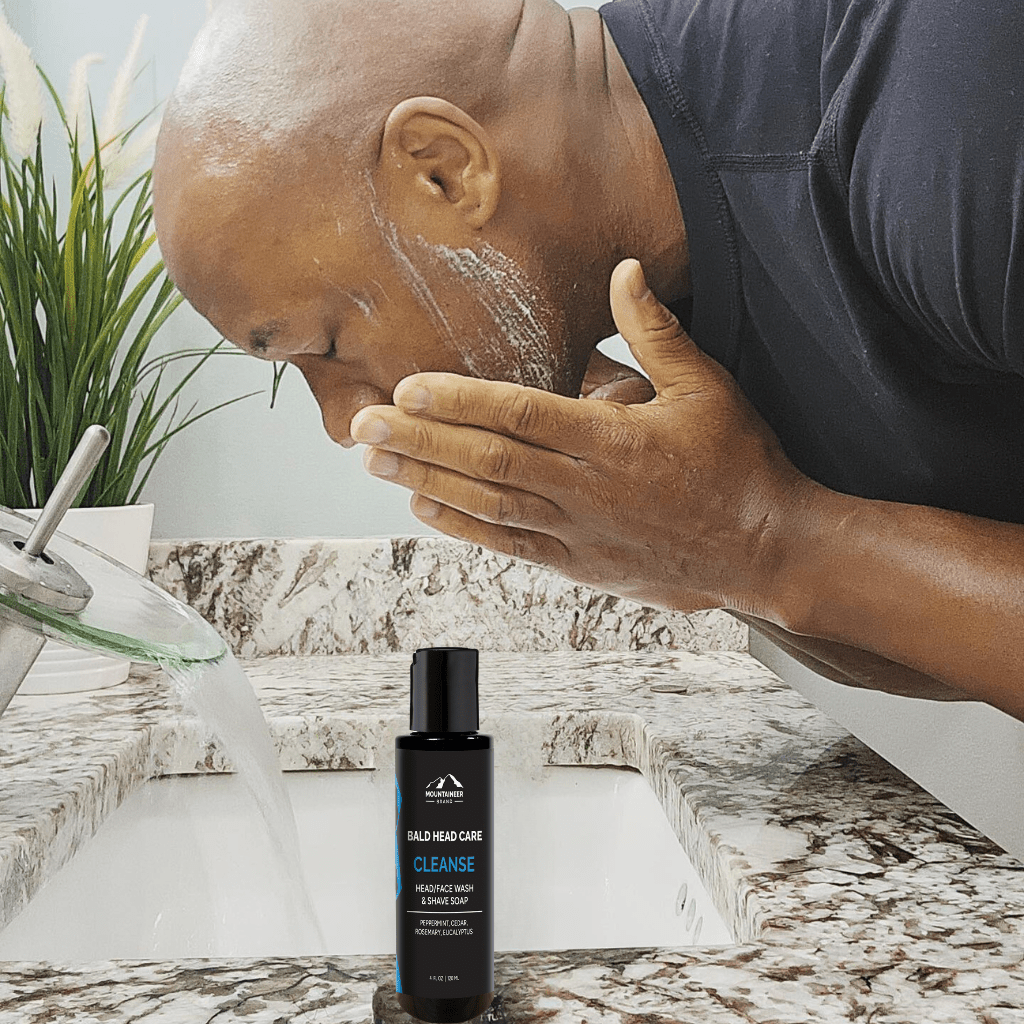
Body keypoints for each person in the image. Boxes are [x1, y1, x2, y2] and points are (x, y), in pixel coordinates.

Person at [153, 0, 1024, 720]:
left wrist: (765, 542)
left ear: (444, 171)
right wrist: (692, 551)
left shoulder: (948, 129)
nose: (344, 421)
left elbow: (788, 553)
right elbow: (934, 640)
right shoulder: (675, 286)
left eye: (325, 345)